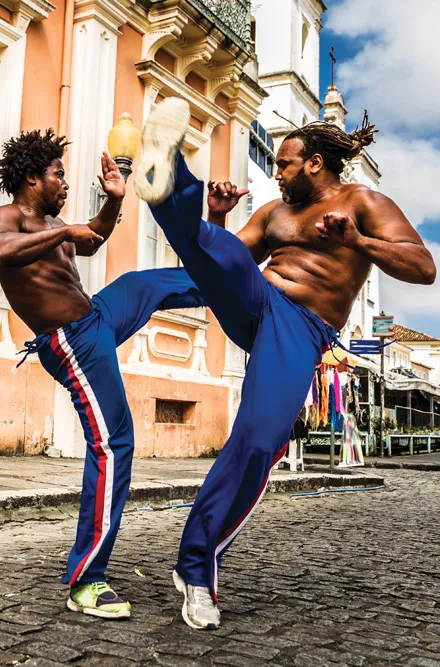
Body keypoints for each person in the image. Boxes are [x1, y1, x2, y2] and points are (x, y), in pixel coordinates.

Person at [133, 98, 435, 630]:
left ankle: (195, 565)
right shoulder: (274, 212)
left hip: (301, 328)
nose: (276, 173)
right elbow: (229, 260)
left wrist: (358, 241)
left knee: (257, 440)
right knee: (212, 253)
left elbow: (423, 266)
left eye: (284, 164)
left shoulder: (363, 202)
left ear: (314, 163)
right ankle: (170, 180)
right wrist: (217, 217)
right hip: (257, 299)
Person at [0, 129, 205, 619]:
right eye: (58, 174)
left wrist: (113, 200)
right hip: (71, 341)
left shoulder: (54, 223)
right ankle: (87, 580)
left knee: (143, 283)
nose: (64, 183)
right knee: (113, 444)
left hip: (96, 318)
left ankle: (234, 281)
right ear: (31, 177)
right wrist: (66, 232)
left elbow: (93, 238)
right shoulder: (7, 218)